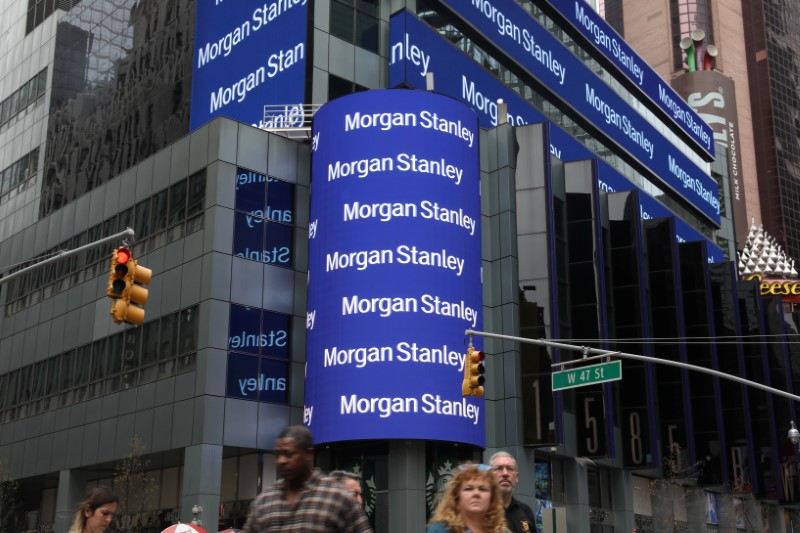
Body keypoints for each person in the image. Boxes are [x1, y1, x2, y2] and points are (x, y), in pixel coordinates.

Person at [243, 425, 372, 533]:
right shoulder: (264, 501)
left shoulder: (338, 498)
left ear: (309, 454)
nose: (281, 461)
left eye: (288, 454)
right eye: (278, 454)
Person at [427, 463, 507, 533]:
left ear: (492, 498)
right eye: (469, 489)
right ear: (457, 496)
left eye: (482, 489)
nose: (476, 493)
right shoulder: (440, 530)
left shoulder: (501, 531)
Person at [489, 452, 536, 533]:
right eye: (499, 468)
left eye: (510, 468)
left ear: (517, 477)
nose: (505, 474)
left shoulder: (525, 511)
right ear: (489, 476)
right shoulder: (482, 511)